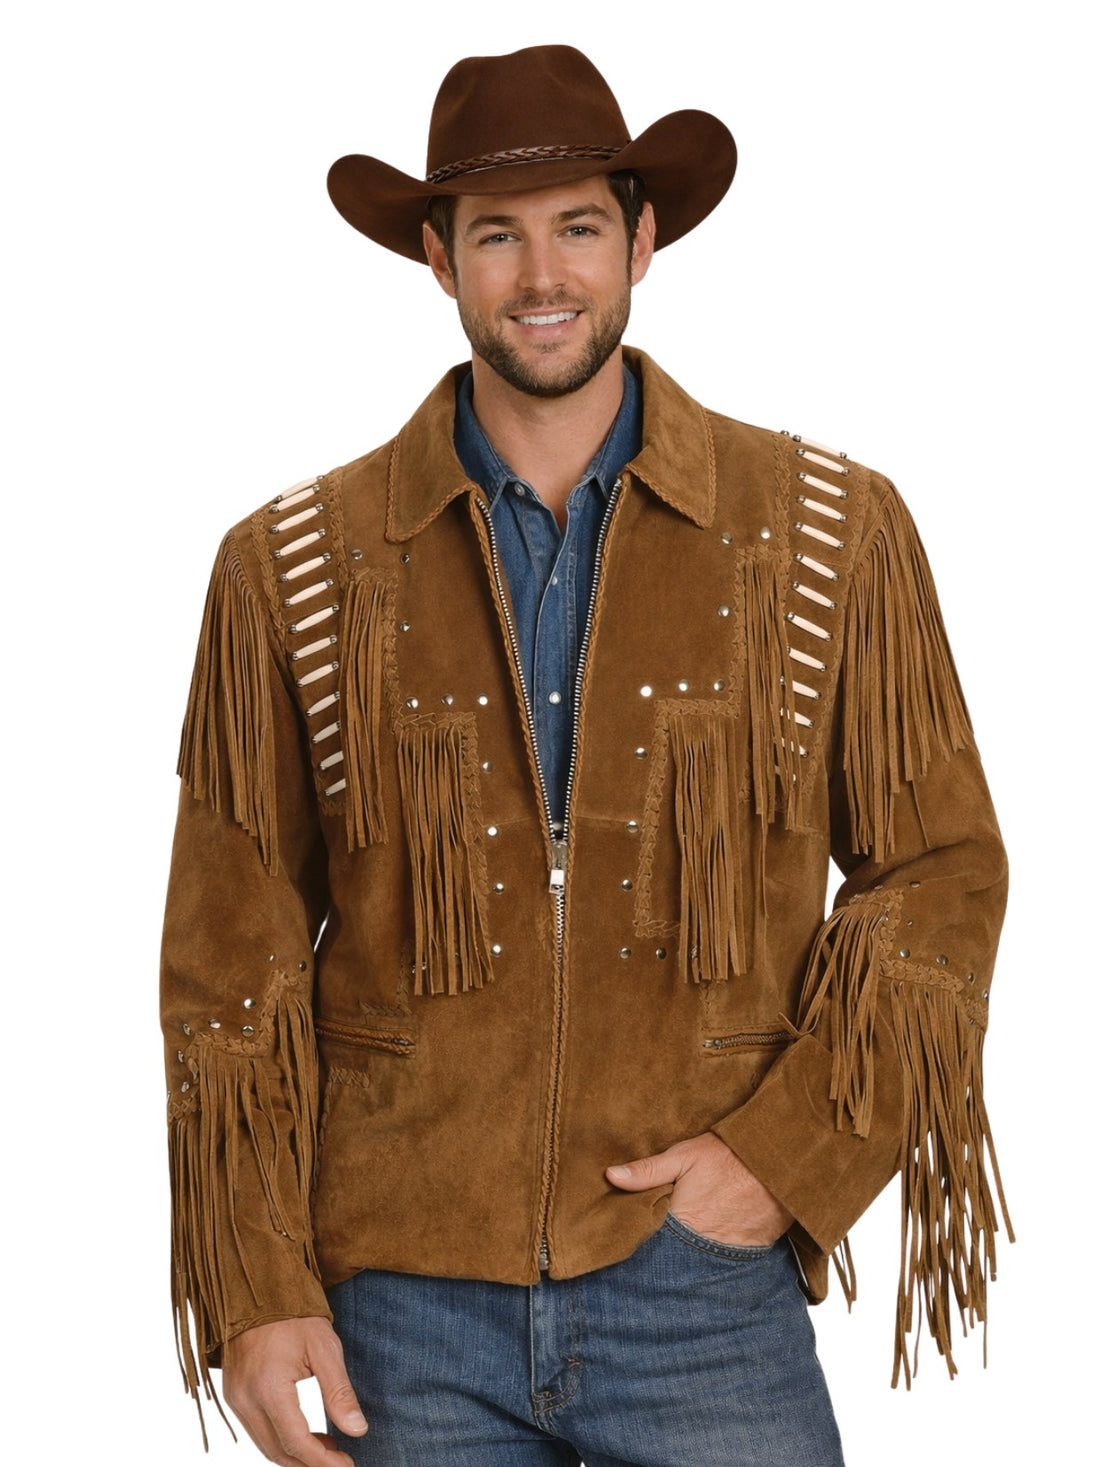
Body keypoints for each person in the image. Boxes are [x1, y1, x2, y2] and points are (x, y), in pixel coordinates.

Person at [161, 43, 1011, 1467]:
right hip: (402, 1307)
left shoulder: (825, 533)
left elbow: (939, 871)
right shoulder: (289, 571)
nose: (540, 273)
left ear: (643, 241)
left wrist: (789, 1160)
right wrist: (254, 1286)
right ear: (437, 259)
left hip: (701, 1291)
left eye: (577, 227)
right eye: (496, 234)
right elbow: (227, 959)